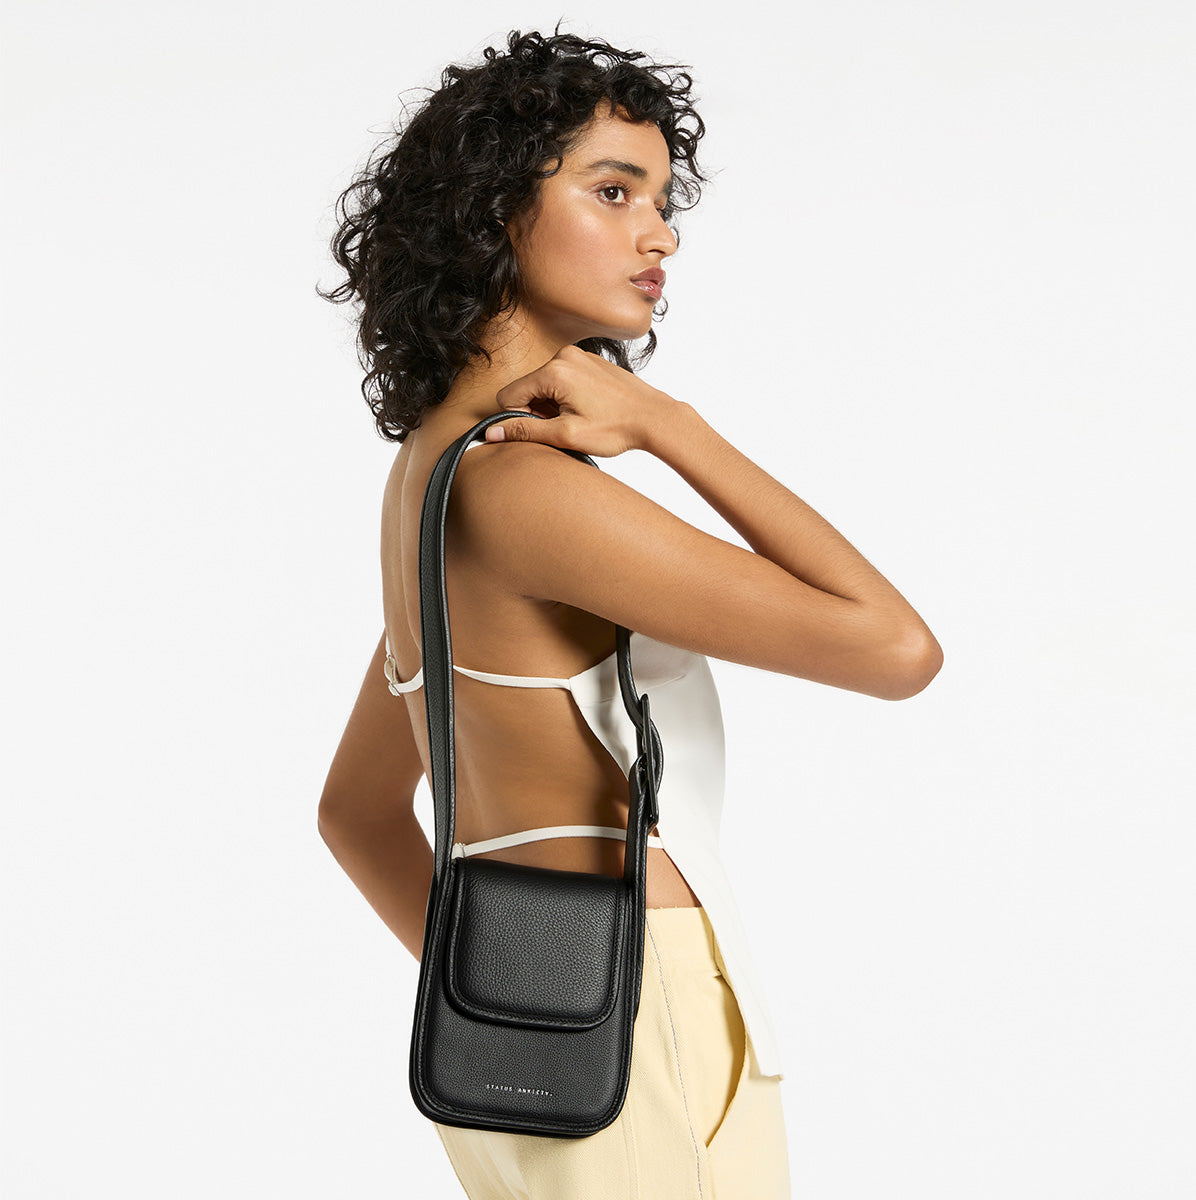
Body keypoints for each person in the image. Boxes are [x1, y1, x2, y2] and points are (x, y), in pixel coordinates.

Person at [315, 25, 943, 1200]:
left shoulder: (433, 478)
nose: (658, 234)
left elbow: (354, 813)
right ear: (492, 208)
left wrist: (492, 1000)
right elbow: (894, 649)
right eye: (612, 191)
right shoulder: (525, 492)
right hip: (634, 1010)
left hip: (532, 1020)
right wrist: (669, 425)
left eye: (660, 200)